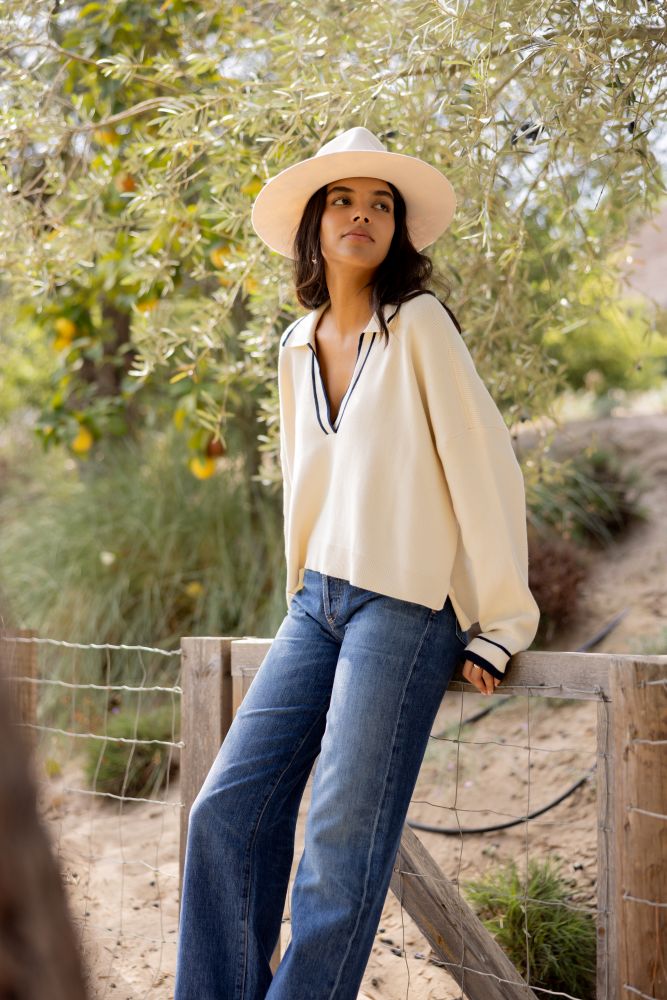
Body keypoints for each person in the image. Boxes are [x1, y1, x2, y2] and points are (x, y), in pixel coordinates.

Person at [174, 126, 540, 1000]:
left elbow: (483, 466)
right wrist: (298, 592)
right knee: (224, 813)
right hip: (316, 607)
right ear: (313, 222)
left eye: (381, 204)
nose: (362, 216)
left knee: (340, 840)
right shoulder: (295, 345)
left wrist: (502, 624)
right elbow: (307, 487)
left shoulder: (418, 327)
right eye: (342, 199)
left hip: (404, 607)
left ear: (397, 231)